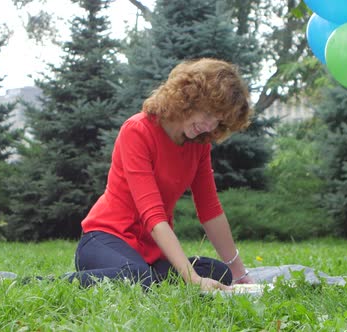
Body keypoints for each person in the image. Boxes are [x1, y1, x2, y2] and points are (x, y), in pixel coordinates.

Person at [71, 58, 255, 291]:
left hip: (150, 252)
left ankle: (142, 277)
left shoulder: (199, 144)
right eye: (208, 113)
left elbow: (210, 210)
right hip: (106, 238)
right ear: (189, 98)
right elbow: (153, 215)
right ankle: (33, 283)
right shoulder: (137, 130)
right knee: (137, 277)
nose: (210, 126)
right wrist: (192, 279)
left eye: (218, 121)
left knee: (219, 273)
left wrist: (239, 274)